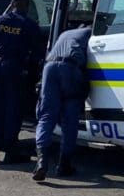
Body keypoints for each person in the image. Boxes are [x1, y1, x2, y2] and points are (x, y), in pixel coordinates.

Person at [32, 24, 92, 181]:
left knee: (46, 117)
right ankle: (64, 165)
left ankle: (41, 162)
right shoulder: (90, 33)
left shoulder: (65, 34)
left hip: (50, 68)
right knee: (70, 121)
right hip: (71, 69)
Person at [0, 0, 41, 165]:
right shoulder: (29, 24)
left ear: (12, 4)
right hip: (15, 70)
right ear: (26, 5)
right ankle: (10, 153)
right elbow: (37, 51)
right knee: (13, 112)